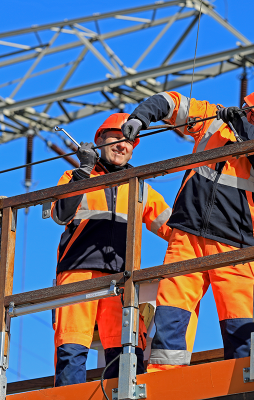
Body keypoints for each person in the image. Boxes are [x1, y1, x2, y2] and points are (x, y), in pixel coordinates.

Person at [121, 84, 254, 371]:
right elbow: (172, 102)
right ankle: (164, 378)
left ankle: (243, 385)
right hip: (187, 235)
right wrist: (141, 117)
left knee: (240, 322)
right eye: (248, 111)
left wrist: (241, 128)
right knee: (171, 312)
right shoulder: (214, 119)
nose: (249, 116)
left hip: (235, 244)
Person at [51, 113, 172, 386]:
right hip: (77, 273)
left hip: (122, 278)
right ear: (99, 141)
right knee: (72, 343)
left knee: (127, 346)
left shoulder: (140, 187)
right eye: (117, 138)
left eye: (129, 141)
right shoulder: (73, 176)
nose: (123, 145)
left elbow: (173, 228)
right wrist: (83, 171)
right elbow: (61, 214)